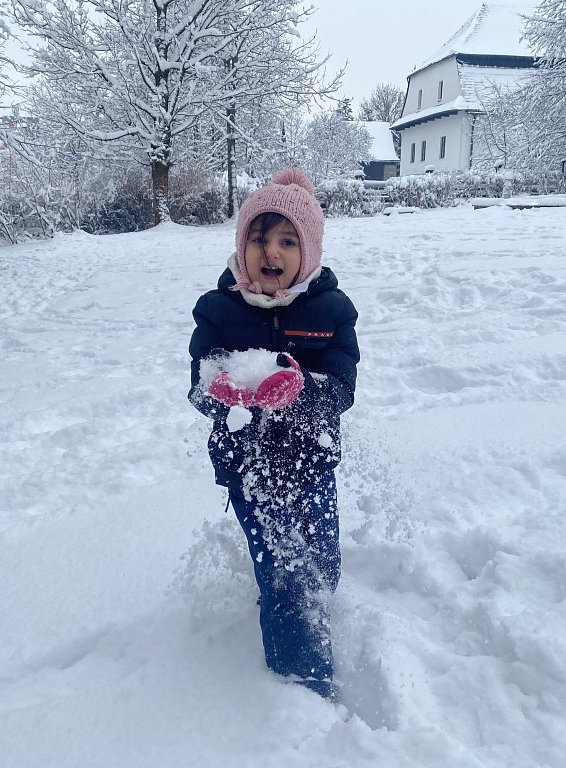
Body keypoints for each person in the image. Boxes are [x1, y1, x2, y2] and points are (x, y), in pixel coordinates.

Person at [188, 168, 359, 700]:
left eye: (288, 240)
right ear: (243, 246)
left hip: (312, 462)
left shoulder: (331, 310)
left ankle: (310, 603)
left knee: (321, 562)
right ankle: (300, 685)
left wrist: (300, 390)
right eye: (259, 238)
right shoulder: (218, 310)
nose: (271, 252)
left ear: (308, 251)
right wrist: (224, 391)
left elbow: (342, 388)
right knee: (285, 574)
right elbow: (199, 383)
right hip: (249, 468)